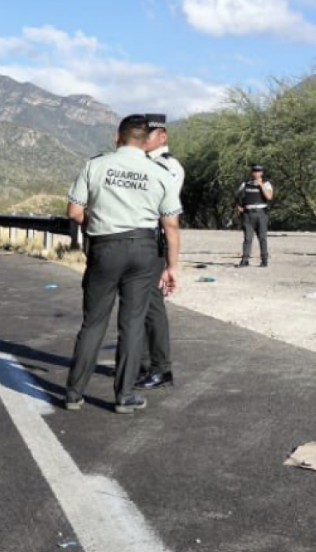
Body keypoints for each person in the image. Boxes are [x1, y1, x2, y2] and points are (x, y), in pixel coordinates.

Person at [64, 114, 183, 414]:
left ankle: (74, 393)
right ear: (145, 142)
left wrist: (97, 222)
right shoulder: (160, 172)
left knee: (93, 323)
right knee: (131, 323)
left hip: (105, 247)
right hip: (143, 251)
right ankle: (124, 395)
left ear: (117, 136)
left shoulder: (96, 165)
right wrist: (171, 266)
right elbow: (171, 225)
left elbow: (74, 211)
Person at [136, 114, 185, 391]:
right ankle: (141, 363)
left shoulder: (168, 166)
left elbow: (164, 210)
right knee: (138, 305)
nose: (144, 138)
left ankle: (160, 367)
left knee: (152, 306)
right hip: (138, 240)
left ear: (162, 136)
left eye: (149, 133)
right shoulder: (142, 163)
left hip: (154, 239)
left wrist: (170, 262)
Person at [237, 165, 273, 267]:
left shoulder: (267, 184)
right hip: (247, 213)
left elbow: (269, 197)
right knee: (248, 238)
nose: (256, 173)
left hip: (261, 213)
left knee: (262, 238)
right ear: (251, 172)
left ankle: (264, 260)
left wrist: (261, 185)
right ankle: (245, 260)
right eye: (254, 171)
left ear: (262, 173)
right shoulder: (245, 184)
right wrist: (239, 206)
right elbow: (238, 197)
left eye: (258, 171)